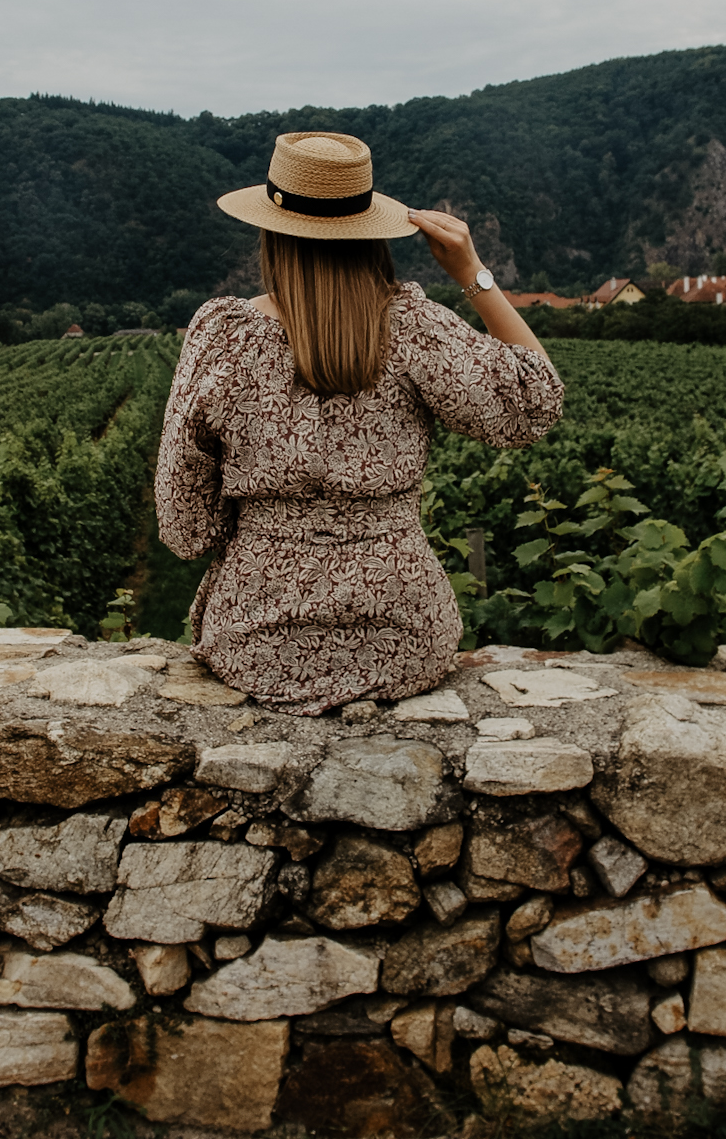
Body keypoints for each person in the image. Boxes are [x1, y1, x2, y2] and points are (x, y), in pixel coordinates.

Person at [154, 130, 564, 715]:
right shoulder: (416, 328)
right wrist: (473, 273)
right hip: (406, 640)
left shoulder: (225, 337)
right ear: (370, 230)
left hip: (256, 642)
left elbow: (184, 525)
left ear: (271, 231)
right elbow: (536, 402)